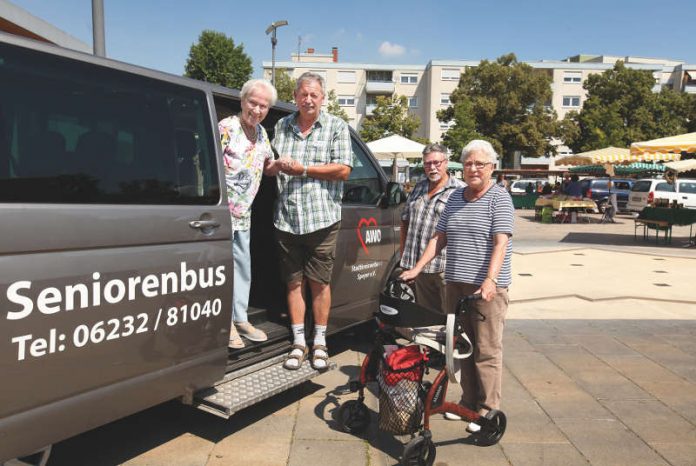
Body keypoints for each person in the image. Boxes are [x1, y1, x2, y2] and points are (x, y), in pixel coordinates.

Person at [400, 139, 513, 433]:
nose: (473, 169)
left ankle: (488, 411)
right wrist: (417, 267)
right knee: (461, 348)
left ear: (492, 167)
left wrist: (490, 281)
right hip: (455, 285)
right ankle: (468, 402)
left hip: (486, 289)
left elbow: (501, 243)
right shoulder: (456, 198)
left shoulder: (499, 197)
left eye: (480, 164)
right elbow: (440, 238)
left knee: (486, 350)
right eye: (468, 164)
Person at [272, 72, 353, 371]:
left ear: (322, 98)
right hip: (286, 218)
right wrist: (273, 167)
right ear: (295, 96)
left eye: (314, 95)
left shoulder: (336, 126)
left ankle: (320, 342)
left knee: (319, 283)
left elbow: (344, 170)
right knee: (294, 284)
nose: (308, 99)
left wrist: (303, 169)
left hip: (322, 219)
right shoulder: (281, 126)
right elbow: (270, 165)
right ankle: (298, 343)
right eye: (303, 94)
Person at [219, 78, 279, 349]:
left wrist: (279, 165)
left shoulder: (263, 133)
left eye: (263, 106)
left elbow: (264, 167)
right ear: (242, 101)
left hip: (244, 214)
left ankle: (240, 318)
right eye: (252, 103)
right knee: (225, 271)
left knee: (243, 268)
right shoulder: (227, 127)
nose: (257, 110)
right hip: (220, 214)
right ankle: (226, 325)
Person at [400, 143, 464, 312]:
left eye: (437, 163)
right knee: (426, 317)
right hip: (417, 268)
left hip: (444, 267)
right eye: (428, 163)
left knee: (450, 317)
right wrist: (404, 258)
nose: (432, 167)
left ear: (446, 162)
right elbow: (405, 221)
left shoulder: (460, 190)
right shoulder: (419, 187)